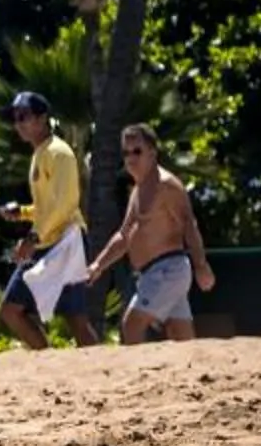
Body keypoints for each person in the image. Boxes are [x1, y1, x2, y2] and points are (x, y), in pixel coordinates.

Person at [79, 122, 215, 344]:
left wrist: (201, 265)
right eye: (126, 152)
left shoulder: (166, 185)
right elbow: (124, 236)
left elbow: (189, 225)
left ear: (152, 152)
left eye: (137, 151)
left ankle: (133, 377)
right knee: (182, 338)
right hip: (153, 274)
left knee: (132, 324)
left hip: (168, 270)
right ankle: (197, 374)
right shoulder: (138, 190)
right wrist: (98, 265)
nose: (131, 158)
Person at [0, 91, 101, 348]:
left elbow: (65, 203)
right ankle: (49, 363)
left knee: (75, 317)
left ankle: (99, 372)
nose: (18, 123)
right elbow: (47, 207)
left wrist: (33, 237)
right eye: (15, 118)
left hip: (67, 240)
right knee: (11, 310)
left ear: (43, 118)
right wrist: (22, 212)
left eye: (24, 117)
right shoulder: (40, 154)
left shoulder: (58, 152)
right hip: (47, 240)